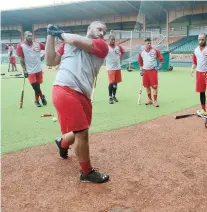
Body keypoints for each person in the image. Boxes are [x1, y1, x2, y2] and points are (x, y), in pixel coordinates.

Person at [45, 22, 110, 183]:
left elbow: (78, 42)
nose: (102, 33)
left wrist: (59, 33)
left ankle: (62, 143)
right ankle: (86, 173)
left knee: (80, 129)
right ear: (89, 28)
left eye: (104, 31)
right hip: (64, 88)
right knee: (82, 133)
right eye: (99, 29)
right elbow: (51, 60)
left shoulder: (101, 46)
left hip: (83, 94)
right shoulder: (67, 43)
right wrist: (50, 36)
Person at [16, 31, 47, 107]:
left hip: (39, 69)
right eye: (28, 36)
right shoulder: (21, 46)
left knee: (38, 86)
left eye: (31, 36)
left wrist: (43, 55)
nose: (30, 37)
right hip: (30, 71)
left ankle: (36, 101)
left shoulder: (37, 43)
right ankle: (42, 96)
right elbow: (21, 59)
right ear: (24, 36)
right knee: (35, 87)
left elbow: (47, 48)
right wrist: (24, 70)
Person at [138, 37, 164, 107]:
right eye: (147, 43)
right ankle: (150, 100)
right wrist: (141, 70)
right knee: (147, 86)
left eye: (150, 43)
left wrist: (159, 66)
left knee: (154, 87)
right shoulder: (141, 53)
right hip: (145, 71)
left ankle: (155, 101)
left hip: (153, 71)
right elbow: (140, 63)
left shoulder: (155, 51)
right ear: (144, 44)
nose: (149, 44)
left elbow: (161, 59)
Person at [105, 34, 125, 104]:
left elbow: (123, 52)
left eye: (114, 39)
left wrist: (120, 57)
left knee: (115, 82)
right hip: (110, 67)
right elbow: (102, 54)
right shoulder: (106, 47)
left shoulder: (118, 46)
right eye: (112, 39)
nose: (113, 41)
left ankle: (114, 96)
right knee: (111, 82)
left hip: (117, 67)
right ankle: (110, 97)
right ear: (109, 39)